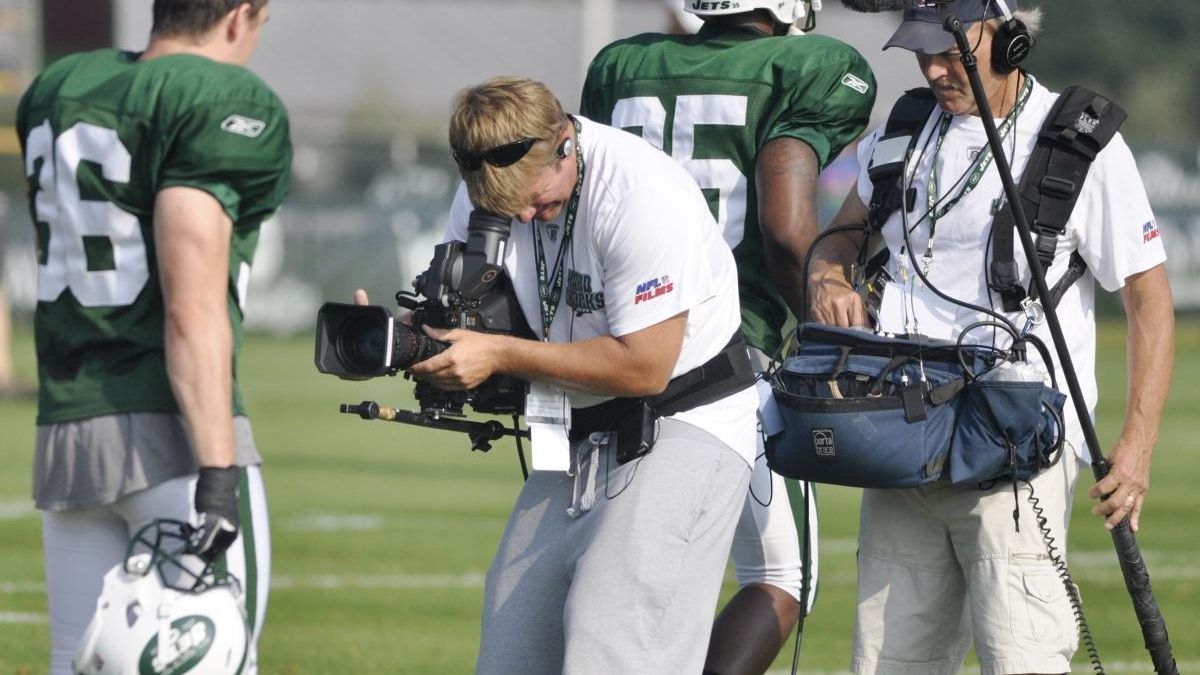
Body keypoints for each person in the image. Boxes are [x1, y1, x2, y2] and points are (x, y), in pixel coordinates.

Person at [806, 1, 1173, 673]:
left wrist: (1139, 443)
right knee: (887, 663)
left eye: (951, 52)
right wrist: (828, 277)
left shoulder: (1076, 140)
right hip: (901, 439)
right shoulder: (904, 129)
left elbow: (1149, 298)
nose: (934, 68)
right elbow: (840, 237)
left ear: (1008, 40)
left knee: (1022, 660)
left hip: (1014, 449)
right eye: (921, 51)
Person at [394, 76, 757, 674]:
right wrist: (404, 336)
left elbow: (644, 365)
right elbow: (466, 309)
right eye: (510, 208)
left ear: (565, 140)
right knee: (512, 651)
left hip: (684, 413)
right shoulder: (487, 192)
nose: (528, 215)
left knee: (612, 647)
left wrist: (500, 355)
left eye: (540, 201)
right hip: (575, 424)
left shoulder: (643, 193)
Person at [580, 2, 875, 672]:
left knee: (609, 567)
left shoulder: (622, 66)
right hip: (733, 353)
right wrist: (824, 307)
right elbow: (781, 224)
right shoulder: (807, 66)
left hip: (615, 343)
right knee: (781, 574)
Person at [15, 1, 290, 673]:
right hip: (175, 436)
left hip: (69, 434)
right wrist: (218, 474)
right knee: (221, 659)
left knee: (75, 662)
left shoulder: (61, 88)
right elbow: (191, 306)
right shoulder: (216, 97)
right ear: (238, 15)